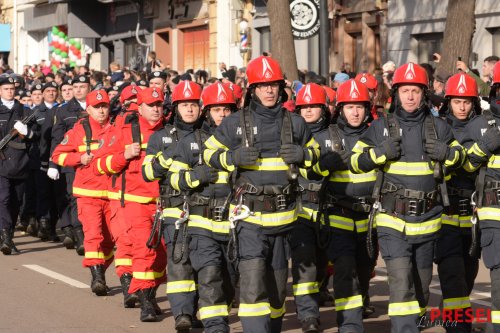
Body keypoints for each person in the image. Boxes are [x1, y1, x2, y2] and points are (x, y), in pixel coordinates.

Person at [203, 55, 320, 333]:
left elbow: (317, 155)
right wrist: (233, 158)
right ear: (252, 90)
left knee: (277, 290)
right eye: (263, 85)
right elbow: (208, 154)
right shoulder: (234, 123)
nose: (269, 90)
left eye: (274, 85)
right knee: (254, 286)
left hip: (284, 221)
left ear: (281, 88)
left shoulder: (295, 123)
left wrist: (304, 154)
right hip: (250, 220)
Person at [350, 62, 465, 333]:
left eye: (415, 90)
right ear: (396, 93)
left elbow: (461, 158)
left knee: (421, 289)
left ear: (423, 93)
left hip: (428, 220)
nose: (410, 96)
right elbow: (355, 161)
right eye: (405, 91)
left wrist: (446, 154)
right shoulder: (380, 128)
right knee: (401, 284)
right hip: (393, 220)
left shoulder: (440, 127)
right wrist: (380, 153)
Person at [167, 81, 237, 333]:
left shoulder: (244, 141)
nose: (222, 115)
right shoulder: (191, 142)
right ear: (207, 112)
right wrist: (196, 177)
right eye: (217, 110)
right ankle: (215, 326)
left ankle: (219, 314)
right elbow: (174, 179)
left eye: (227, 110)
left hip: (235, 224)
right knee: (209, 275)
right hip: (202, 223)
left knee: (230, 279)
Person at [93, 87, 167, 321]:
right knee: (144, 250)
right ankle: (145, 301)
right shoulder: (124, 130)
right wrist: (123, 155)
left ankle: (150, 292)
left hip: (164, 203)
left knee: (163, 255)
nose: (156, 110)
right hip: (134, 202)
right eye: (151, 105)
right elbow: (100, 165)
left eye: (159, 105)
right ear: (140, 107)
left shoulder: (170, 130)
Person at [314, 79, 378, 332]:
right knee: (344, 270)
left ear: (367, 109)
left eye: (359, 107)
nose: (355, 112)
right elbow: (310, 173)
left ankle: (361, 300)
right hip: (338, 214)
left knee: (364, 270)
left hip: (370, 217)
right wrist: (323, 164)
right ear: (340, 109)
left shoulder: (376, 134)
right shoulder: (323, 137)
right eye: (349, 106)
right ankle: (349, 324)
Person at [143, 80, 203, 331]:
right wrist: (169, 155)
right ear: (175, 107)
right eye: (184, 105)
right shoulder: (160, 137)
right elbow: (148, 172)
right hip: (174, 210)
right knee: (179, 264)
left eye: (193, 104)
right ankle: (182, 314)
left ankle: (198, 309)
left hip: (207, 209)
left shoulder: (212, 134)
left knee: (204, 265)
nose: (189, 110)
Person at [51, 89, 115, 295]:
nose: (102, 111)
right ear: (88, 110)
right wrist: (79, 158)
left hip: (113, 194)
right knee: (93, 235)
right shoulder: (79, 130)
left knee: (111, 239)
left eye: (104, 106)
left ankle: (100, 267)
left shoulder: (118, 128)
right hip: (88, 193)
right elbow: (58, 156)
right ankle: (98, 277)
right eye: (97, 108)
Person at [434, 72, 481, 333]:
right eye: (457, 101)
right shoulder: (438, 128)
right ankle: (458, 328)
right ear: (448, 101)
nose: (462, 107)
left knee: (468, 275)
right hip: (446, 212)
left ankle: (452, 317)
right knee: (453, 276)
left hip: (474, 216)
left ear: (474, 102)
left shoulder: (483, 127)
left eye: (467, 102)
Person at [288, 83, 330, 333]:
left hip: (328, 209)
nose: (309, 111)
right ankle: (308, 315)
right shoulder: (289, 135)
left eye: (314, 106)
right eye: (304, 107)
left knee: (323, 264)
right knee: (305, 263)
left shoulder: (334, 135)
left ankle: (320, 293)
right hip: (300, 208)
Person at [462, 61, 500, 332]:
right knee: (499, 275)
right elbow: (464, 165)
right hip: (493, 211)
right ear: (496, 91)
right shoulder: (479, 125)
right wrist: (487, 145)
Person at [50, 75, 91, 255]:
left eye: (83, 86)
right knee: (76, 199)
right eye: (76, 87)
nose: (79, 90)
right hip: (73, 164)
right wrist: (53, 163)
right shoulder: (64, 110)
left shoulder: (98, 106)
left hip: (96, 162)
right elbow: (57, 138)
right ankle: (80, 235)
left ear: (89, 87)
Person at [0, 75, 38, 255]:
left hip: (20, 162)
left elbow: (35, 135)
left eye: (12, 89)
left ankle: (7, 233)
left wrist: (27, 132)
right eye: (6, 89)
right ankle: (7, 236)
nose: (10, 91)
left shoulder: (23, 110)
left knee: (15, 201)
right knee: (4, 199)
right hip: (1, 162)